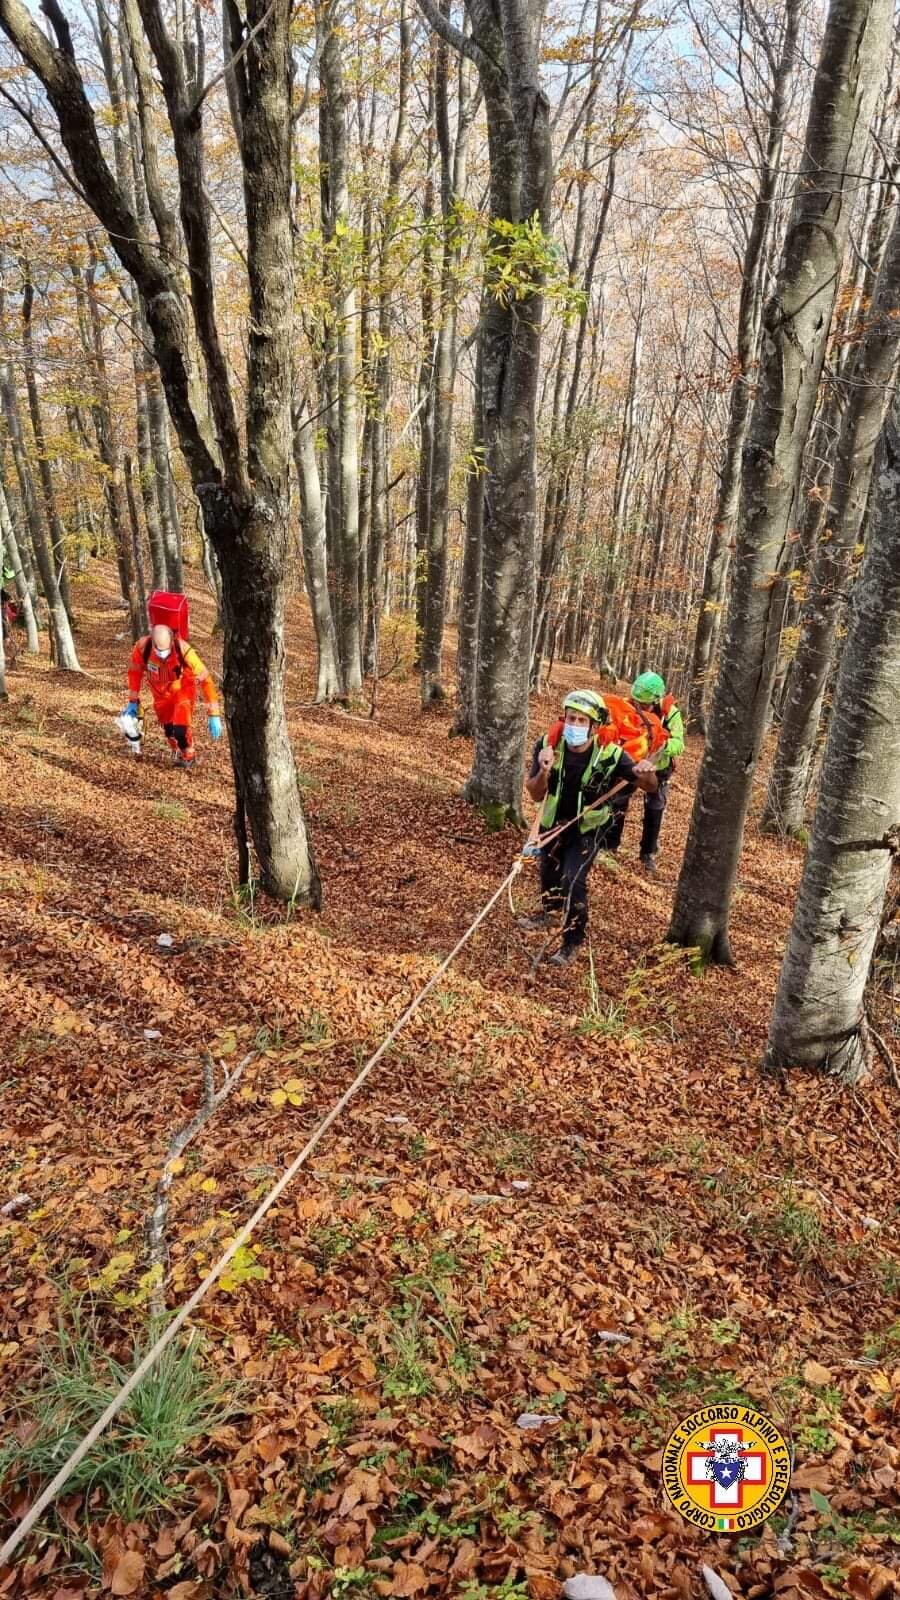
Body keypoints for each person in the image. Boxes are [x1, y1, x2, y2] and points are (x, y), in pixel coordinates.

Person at [522, 688, 658, 967]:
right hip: (552, 824)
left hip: (587, 830)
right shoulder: (548, 746)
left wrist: (646, 773)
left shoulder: (611, 755)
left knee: (573, 880)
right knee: (548, 871)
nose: (574, 725)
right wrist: (544, 770)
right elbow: (534, 793)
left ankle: (572, 941)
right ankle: (550, 912)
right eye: (571, 718)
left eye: (582, 720)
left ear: (594, 726)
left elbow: (649, 786)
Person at [607, 671, 685, 872]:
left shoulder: (670, 713)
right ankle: (610, 845)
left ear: (656, 700)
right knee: (618, 802)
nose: (640, 707)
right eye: (638, 703)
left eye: (645, 704)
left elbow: (679, 743)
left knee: (655, 807)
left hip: (658, 767)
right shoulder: (627, 706)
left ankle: (647, 853)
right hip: (632, 763)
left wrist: (662, 744)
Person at [124, 621, 222, 769]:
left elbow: (206, 679)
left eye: (165, 651)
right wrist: (133, 701)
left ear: (171, 641)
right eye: (158, 650)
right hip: (160, 695)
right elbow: (134, 673)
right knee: (169, 730)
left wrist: (214, 713)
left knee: (181, 729)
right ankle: (177, 750)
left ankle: (188, 755)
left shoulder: (183, 650)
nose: (162, 655)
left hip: (182, 690)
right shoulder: (143, 648)